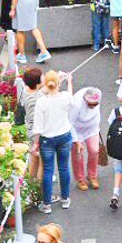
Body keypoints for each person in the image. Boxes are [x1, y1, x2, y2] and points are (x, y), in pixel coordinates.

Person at [32, 70, 76, 213]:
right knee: (64, 168)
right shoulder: (65, 97)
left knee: (48, 170)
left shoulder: (41, 102)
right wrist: (69, 81)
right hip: (64, 136)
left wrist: (35, 143)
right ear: (58, 83)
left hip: (47, 139)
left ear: (45, 84)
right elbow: (71, 97)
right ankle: (65, 199)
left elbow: (38, 126)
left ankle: (47, 204)